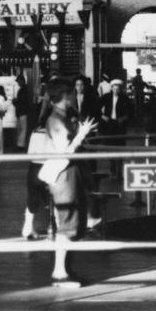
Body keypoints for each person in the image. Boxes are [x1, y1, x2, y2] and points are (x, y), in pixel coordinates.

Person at [39, 78, 98, 287]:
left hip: (70, 173)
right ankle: (59, 273)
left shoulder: (63, 117)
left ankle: (65, 270)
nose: (74, 97)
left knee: (71, 221)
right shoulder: (55, 120)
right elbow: (66, 150)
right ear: (65, 96)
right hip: (64, 175)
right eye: (71, 94)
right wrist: (81, 134)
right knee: (66, 221)